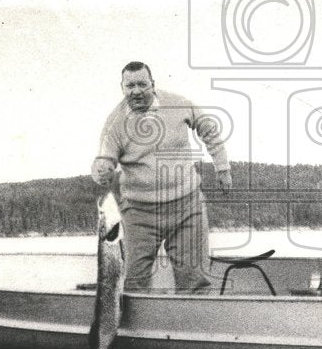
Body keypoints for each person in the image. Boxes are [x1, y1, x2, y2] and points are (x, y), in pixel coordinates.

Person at [91, 62, 232, 292]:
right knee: (133, 282)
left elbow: (208, 127)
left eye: (142, 84)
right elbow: (105, 159)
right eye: (130, 86)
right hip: (139, 213)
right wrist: (101, 170)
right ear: (122, 88)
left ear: (153, 85)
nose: (136, 91)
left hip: (187, 207)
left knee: (194, 280)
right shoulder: (114, 123)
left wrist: (222, 166)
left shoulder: (178, 104)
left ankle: (192, 326)